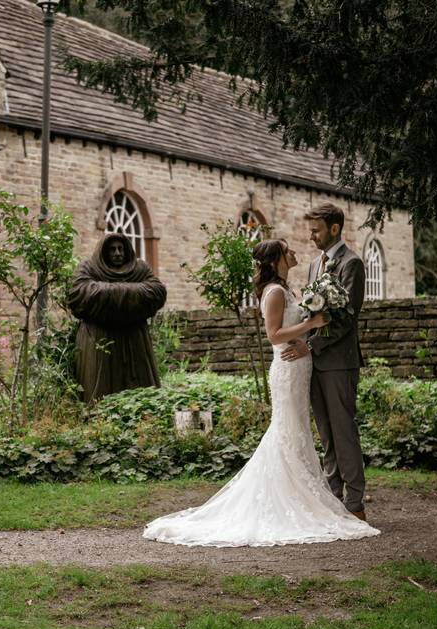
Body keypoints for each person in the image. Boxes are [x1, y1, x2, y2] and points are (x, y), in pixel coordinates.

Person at [142, 238, 379, 546]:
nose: (293, 253)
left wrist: (312, 327)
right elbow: (274, 335)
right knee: (287, 432)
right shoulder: (275, 292)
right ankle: (289, 500)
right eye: (287, 251)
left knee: (298, 433)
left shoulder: (288, 289)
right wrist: (315, 322)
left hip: (299, 368)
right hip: (287, 369)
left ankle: (301, 496)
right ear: (275, 260)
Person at [280, 203, 369, 521]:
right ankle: (334, 498)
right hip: (313, 362)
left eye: (316, 229)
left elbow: (346, 319)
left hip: (339, 362)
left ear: (334, 228)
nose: (311, 235)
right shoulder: (316, 264)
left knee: (344, 431)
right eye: (310, 229)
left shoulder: (352, 264)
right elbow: (311, 312)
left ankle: (356, 502)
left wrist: (311, 345)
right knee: (326, 432)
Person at [67, 233, 167, 404]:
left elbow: (157, 291)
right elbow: (80, 294)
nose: (117, 253)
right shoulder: (88, 268)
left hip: (135, 340)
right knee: (99, 392)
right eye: (112, 249)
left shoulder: (139, 269)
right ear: (103, 251)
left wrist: (109, 295)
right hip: (99, 338)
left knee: (141, 396)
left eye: (121, 249)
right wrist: (132, 295)